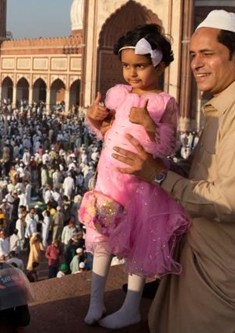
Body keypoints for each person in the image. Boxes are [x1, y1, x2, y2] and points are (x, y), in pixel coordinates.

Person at [112, 10, 235, 332]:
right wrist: (153, 165)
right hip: (207, 267)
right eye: (193, 55)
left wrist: (158, 176)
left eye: (208, 54)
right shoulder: (223, 110)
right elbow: (204, 178)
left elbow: (229, 202)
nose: (196, 63)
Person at [83, 23, 189, 328]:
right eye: (127, 66)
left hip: (142, 187)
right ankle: (95, 303)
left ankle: (131, 306)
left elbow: (168, 147)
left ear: (160, 64)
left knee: (139, 247)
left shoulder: (164, 103)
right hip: (111, 183)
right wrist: (95, 118)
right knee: (101, 240)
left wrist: (150, 125)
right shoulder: (118, 94)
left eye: (140, 66)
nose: (132, 73)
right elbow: (106, 131)